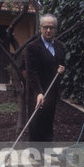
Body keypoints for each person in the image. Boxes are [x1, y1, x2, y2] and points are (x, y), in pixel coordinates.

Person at [25, 13, 65, 142]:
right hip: (36, 92)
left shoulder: (60, 46)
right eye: (45, 27)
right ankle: (35, 154)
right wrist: (38, 92)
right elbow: (32, 72)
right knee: (36, 122)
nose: (48, 30)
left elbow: (60, 64)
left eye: (51, 27)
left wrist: (60, 69)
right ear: (40, 28)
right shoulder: (32, 47)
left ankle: (47, 149)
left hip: (52, 91)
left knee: (48, 121)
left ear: (55, 28)